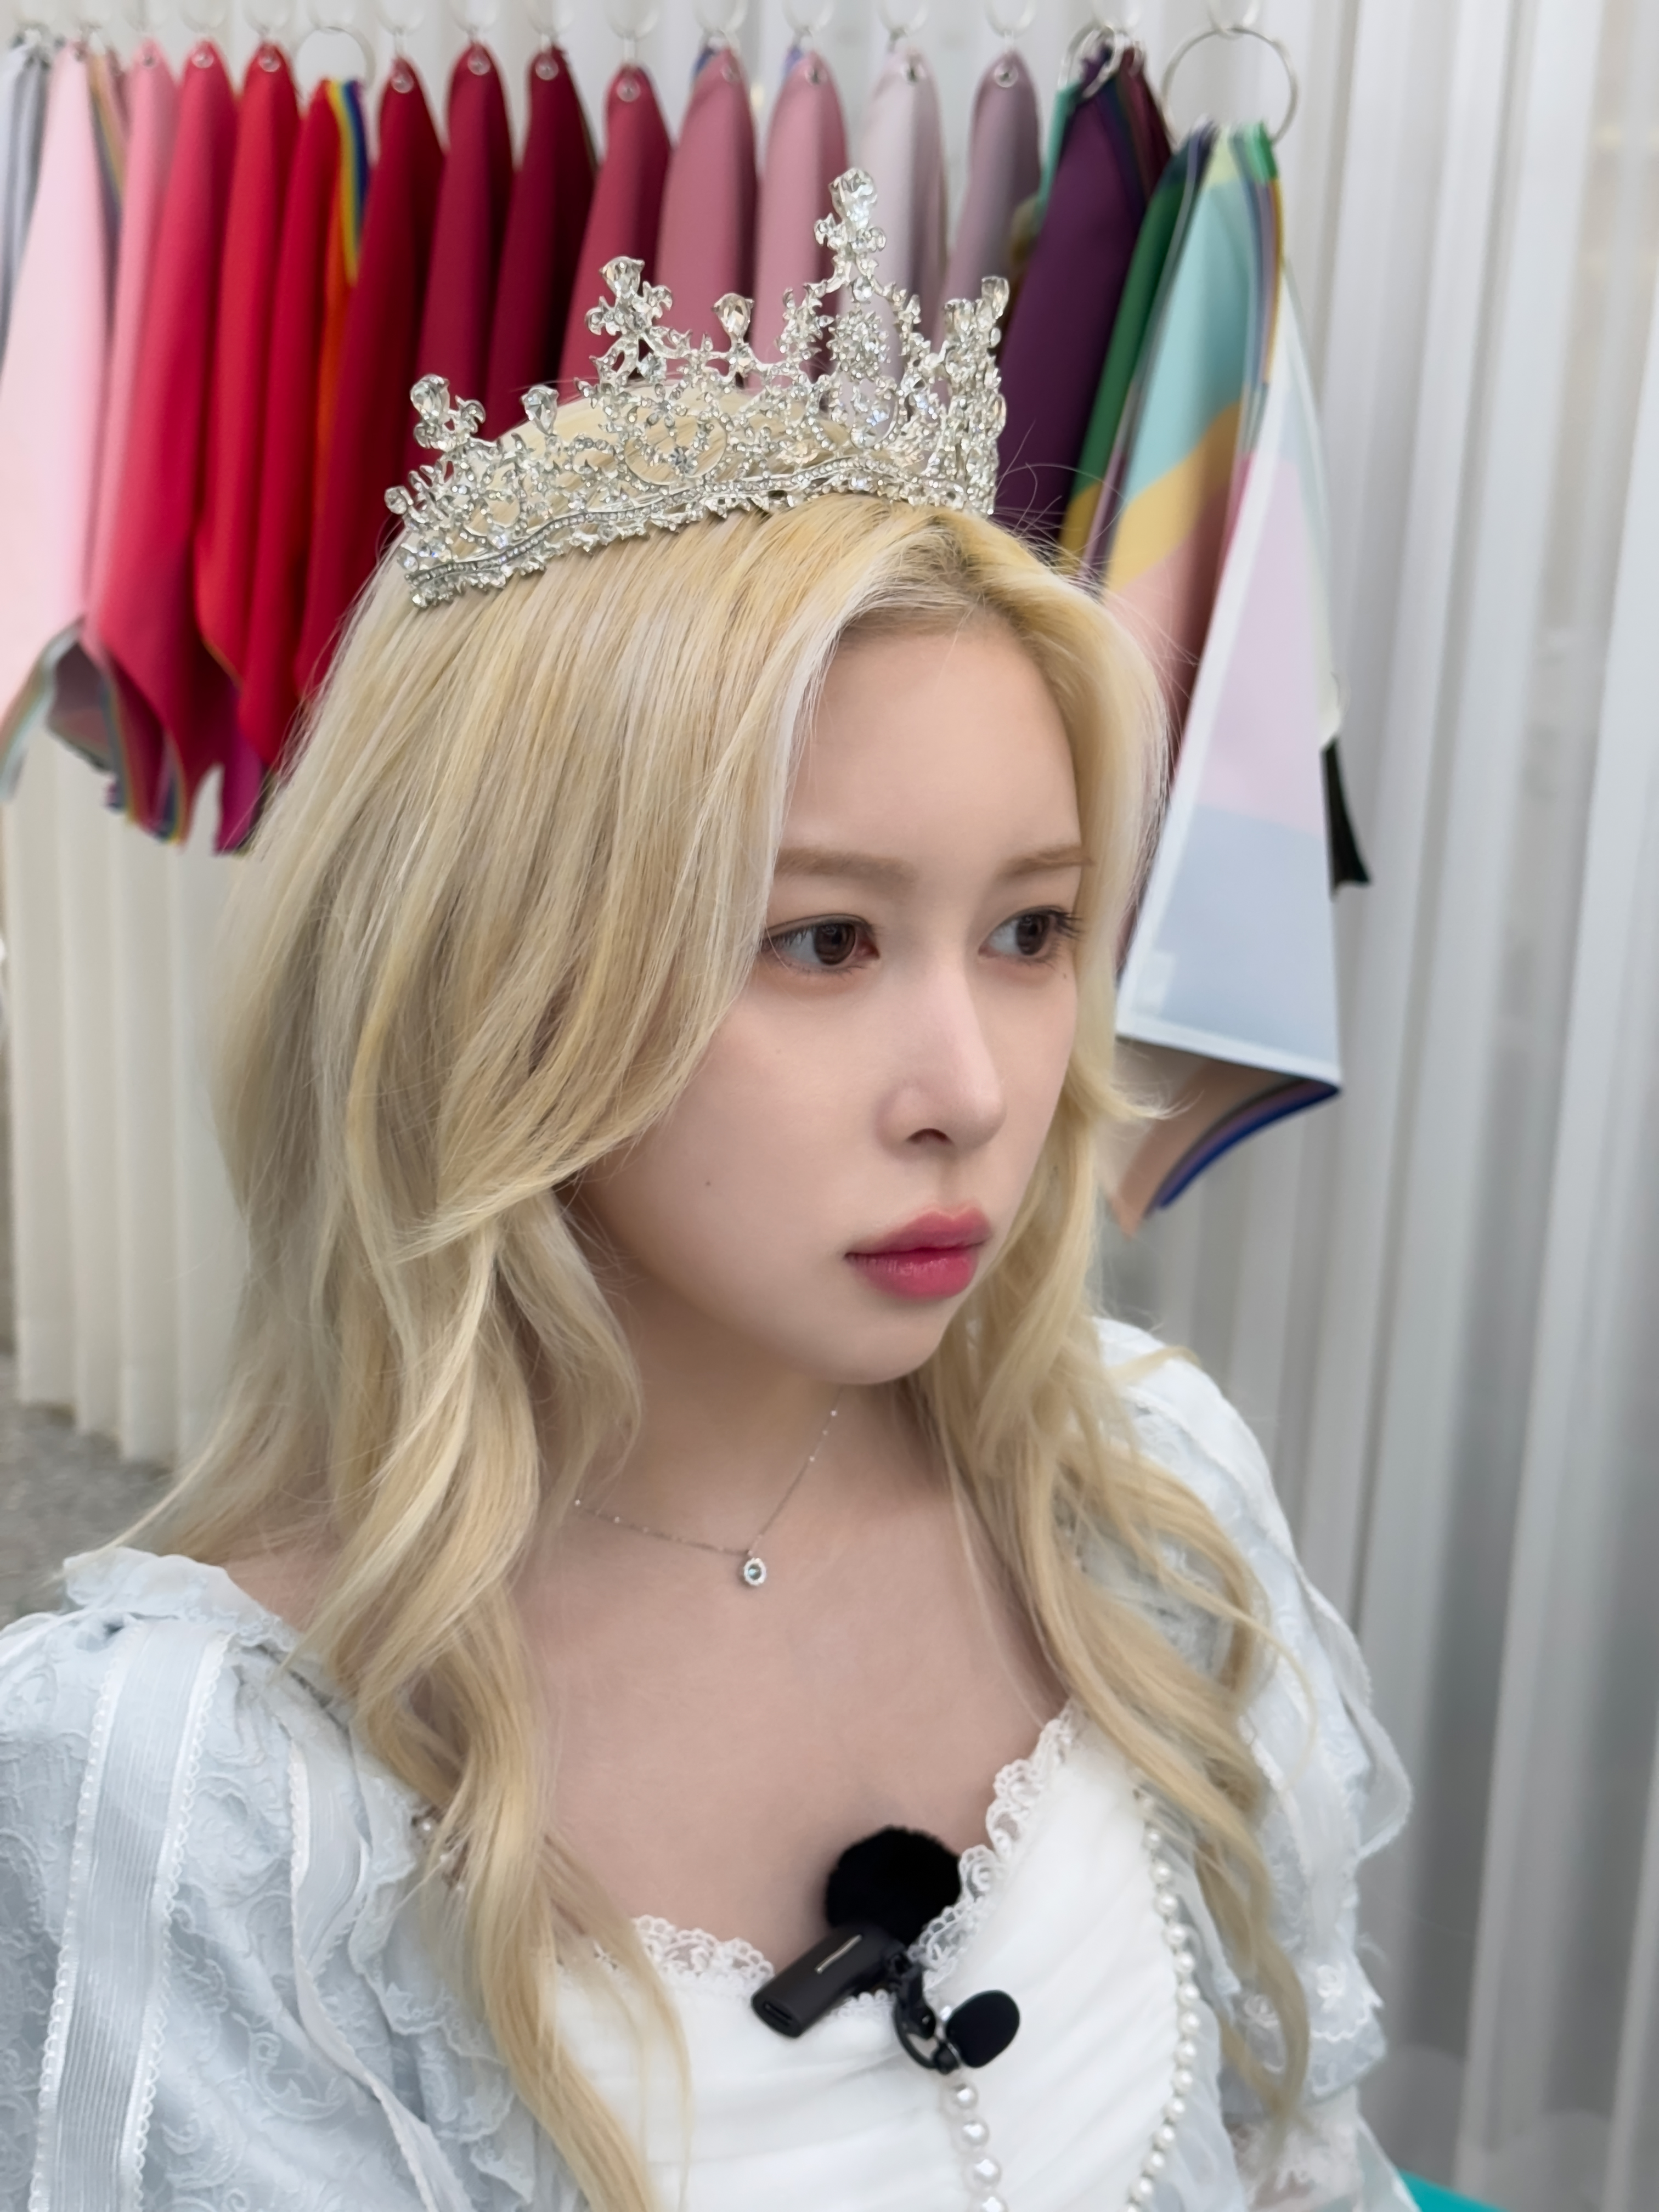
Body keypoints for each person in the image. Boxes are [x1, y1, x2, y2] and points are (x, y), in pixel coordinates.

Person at [0, 174, 1412, 2212]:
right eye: (823, 941)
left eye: (1032, 930)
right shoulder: (197, 1797)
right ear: (500, 979)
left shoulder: (1147, 1506)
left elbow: (1301, 2149)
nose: (977, 1092)